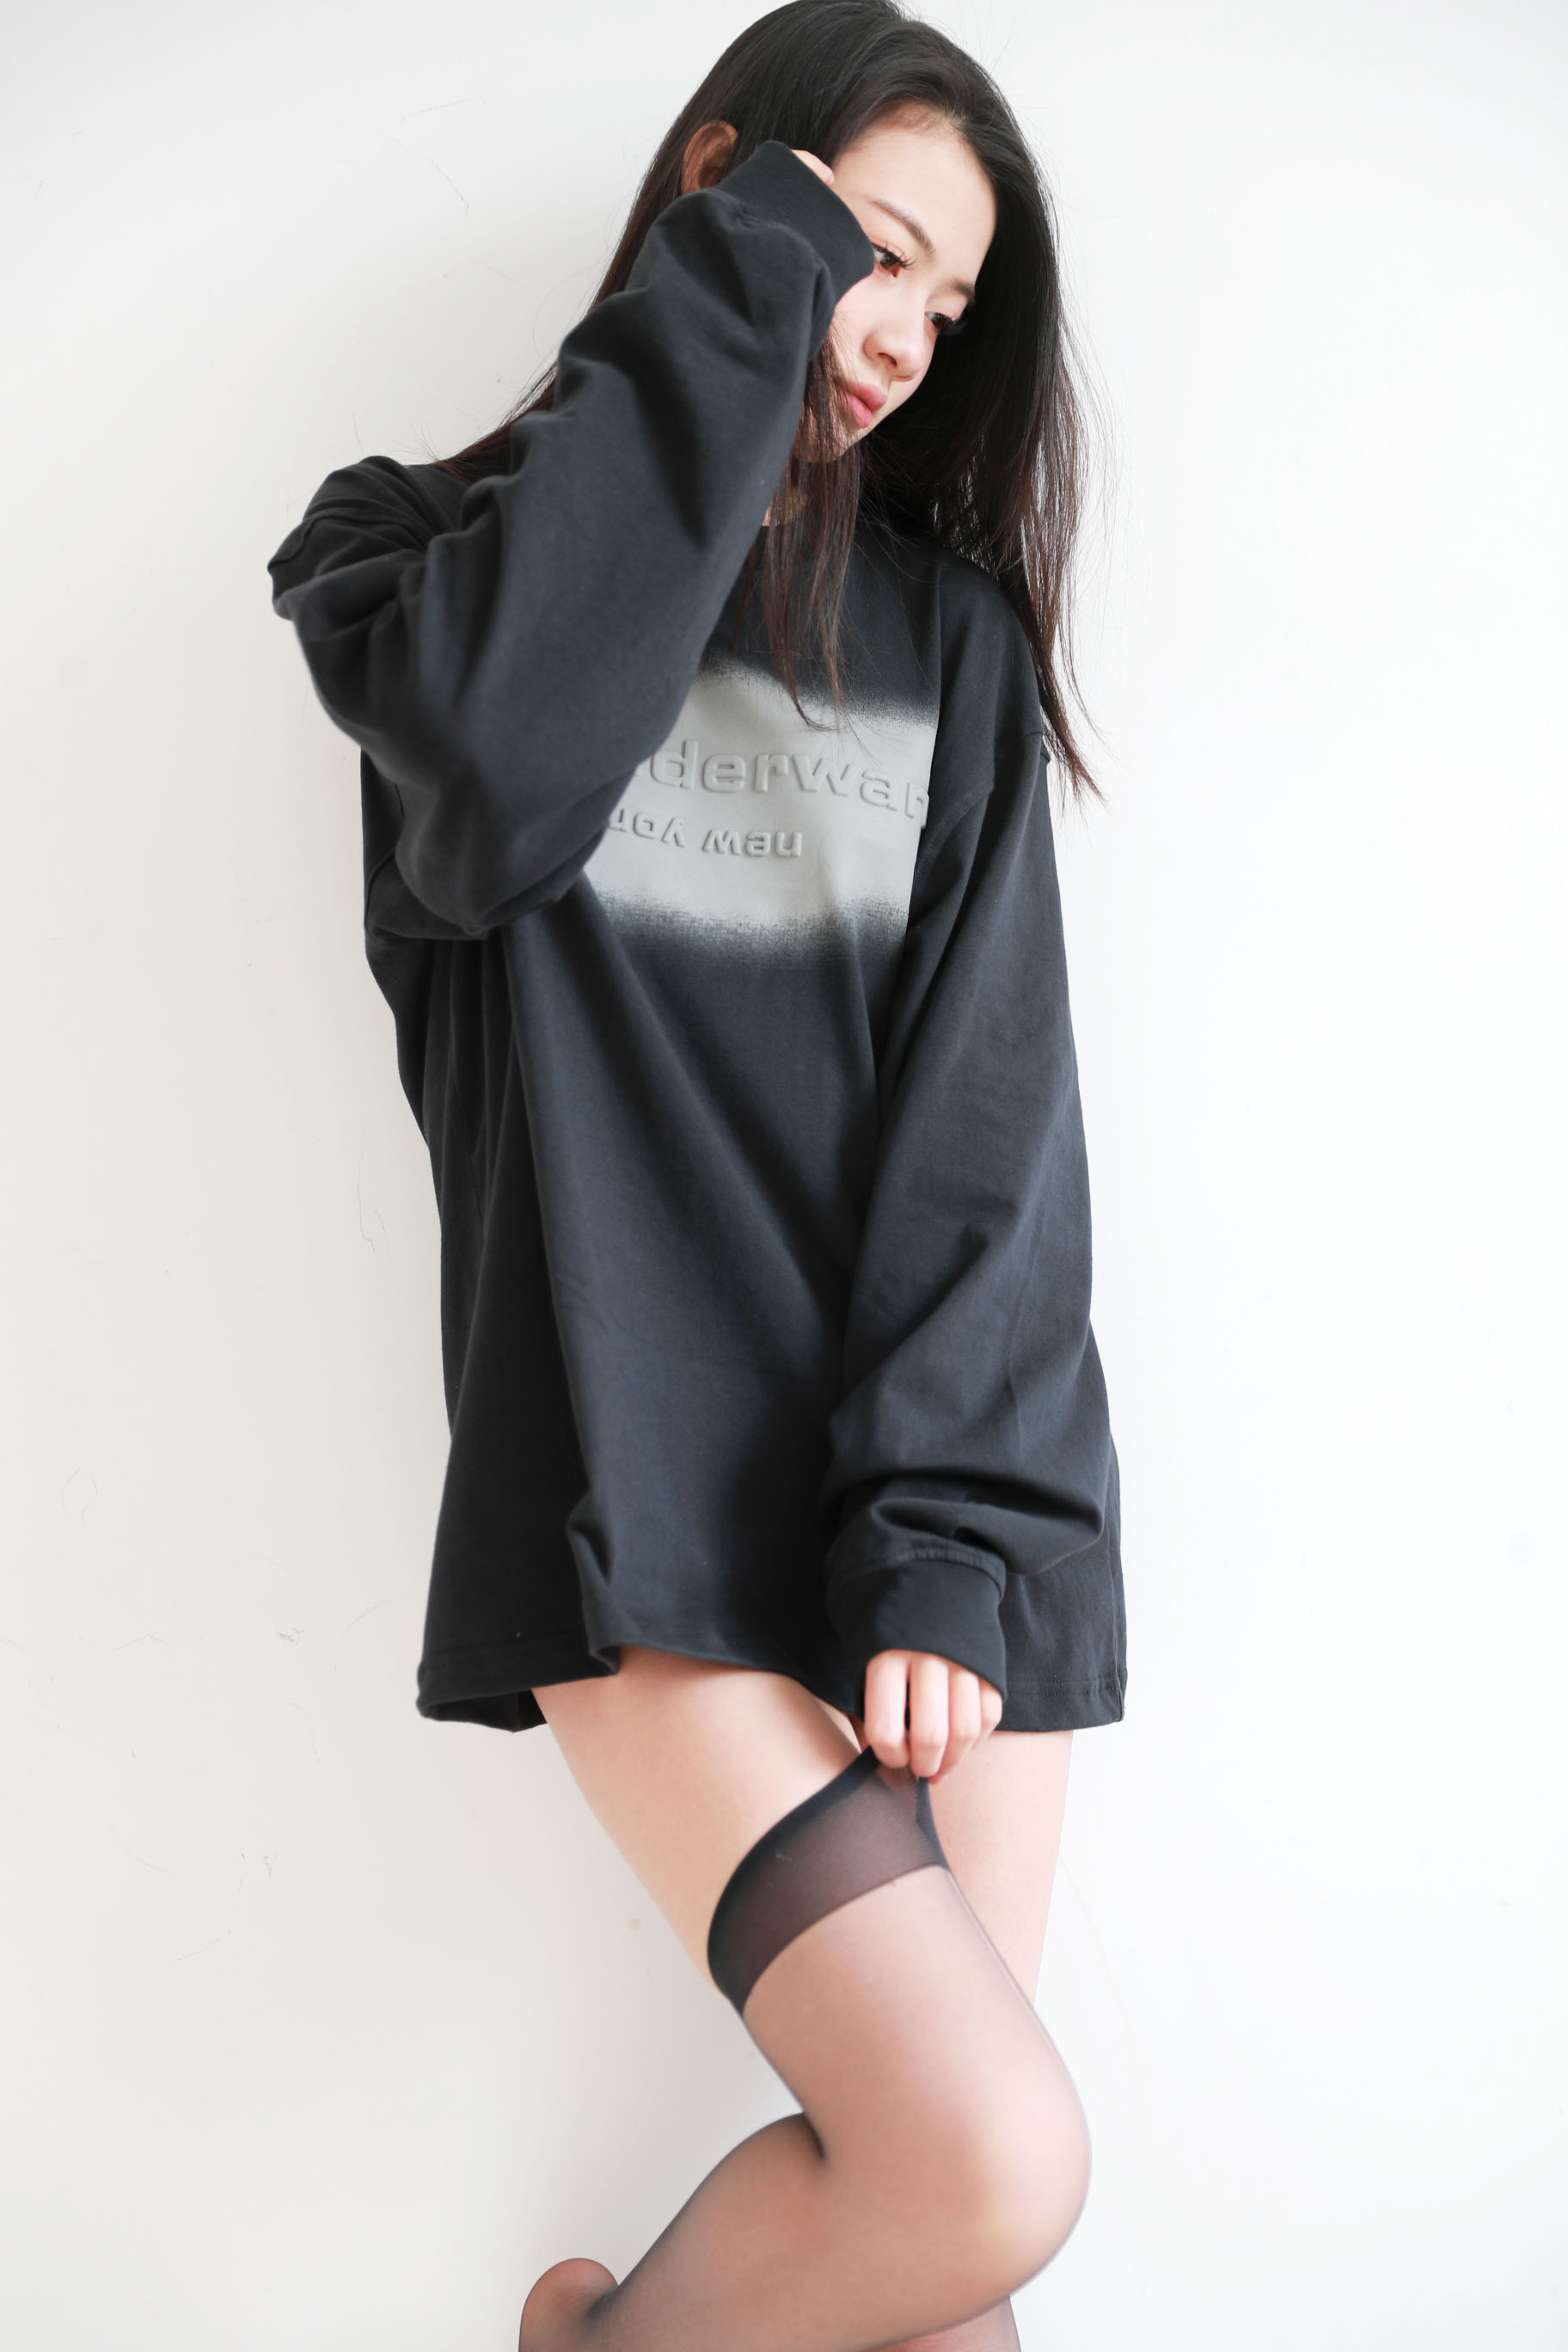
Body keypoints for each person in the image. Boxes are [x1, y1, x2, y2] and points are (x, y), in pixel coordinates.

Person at [266, 2, 1125, 2343]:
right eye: (876, 252)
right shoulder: (416, 574)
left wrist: (947, 1547)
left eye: (952, 302)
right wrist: (749, 286)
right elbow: (500, 788)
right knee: (981, 2163)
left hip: (950, 1512)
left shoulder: (942, 644)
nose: (906, 336)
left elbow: (994, 1124)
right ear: (729, 195)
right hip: (632, 1493)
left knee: (947, 2279)